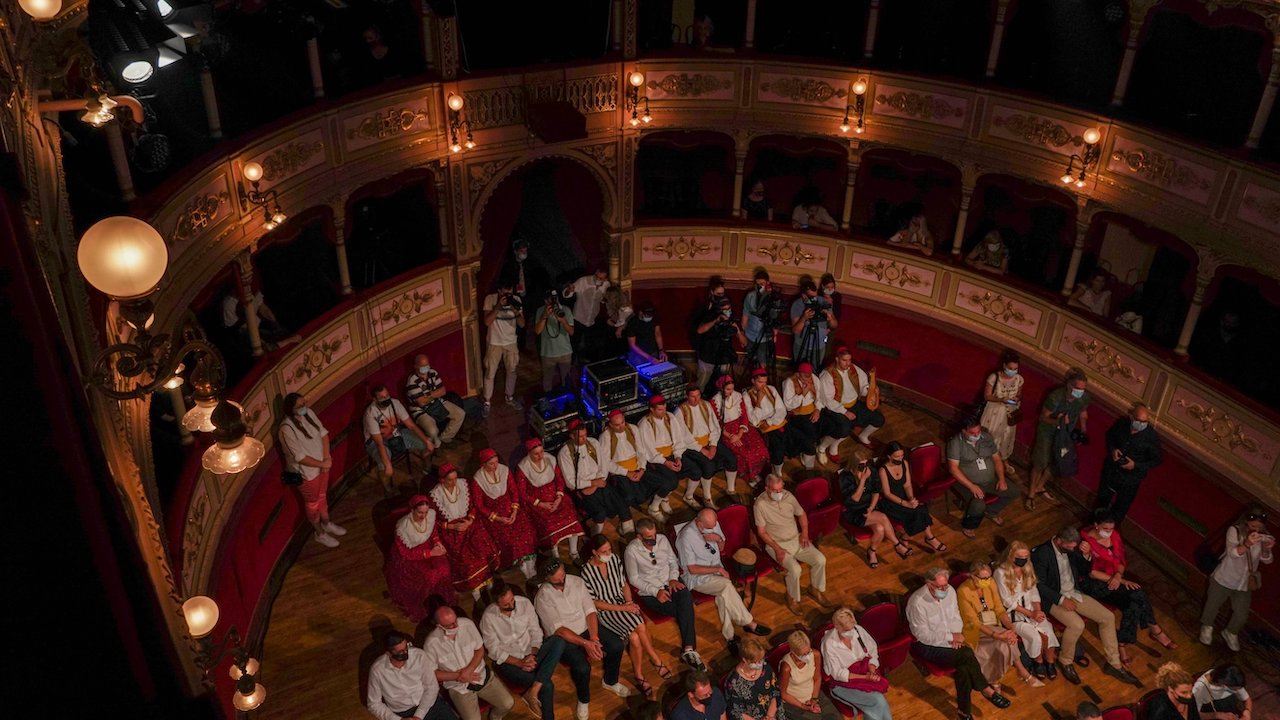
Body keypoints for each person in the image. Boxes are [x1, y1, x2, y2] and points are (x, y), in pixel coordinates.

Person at [1030, 526, 1140, 686]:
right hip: (1053, 599)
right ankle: (1065, 661)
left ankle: (1114, 664)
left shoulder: (1070, 547)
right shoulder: (1042, 553)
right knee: (1077, 625)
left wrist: (1087, 555)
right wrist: (1061, 600)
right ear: (1059, 541)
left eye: (1074, 547)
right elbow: (1039, 585)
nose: (1073, 549)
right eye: (1070, 547)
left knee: (1108, 617)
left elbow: (1084, 570)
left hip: (1074, 592)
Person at [906, 567, 1011, 718]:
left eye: (946, 585)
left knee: (963, 667)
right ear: (929, 584)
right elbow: (922, 635)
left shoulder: (950, 591)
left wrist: (956, 634)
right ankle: (985, 689)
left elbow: (956, 616)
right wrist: (950, 637)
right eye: (940, 587)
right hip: (928, 646)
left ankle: (964, 712)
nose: (944, 589)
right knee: (966, 654)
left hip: (952, 640)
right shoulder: (917, 603)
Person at [534, 557, 631, 720]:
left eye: (563, 574)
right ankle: (583, 699)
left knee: (616, 645)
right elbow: (559, 630)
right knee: (582, 668)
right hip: (564, 639)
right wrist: (586, 644)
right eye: (557, 579)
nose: (563, 580)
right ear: (546, 579)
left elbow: (590, 610)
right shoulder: (542, 597)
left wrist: (594, 638)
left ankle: (610, 681)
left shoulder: (577, 581)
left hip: (587, 628)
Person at [581, 535, 671, 701]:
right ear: (594, 552)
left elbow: (624, 585)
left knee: (639, 628)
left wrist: (629, 602)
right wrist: (624, 608)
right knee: (635, 636)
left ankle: (641, 671)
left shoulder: (614, 559)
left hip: (622, 603)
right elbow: (594, 602)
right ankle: (654, 662)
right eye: (604, 551)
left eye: (609, 550)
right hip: (606, 611)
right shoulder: (586, 571)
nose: (608, 554)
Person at [1080, 512, 1176, 663]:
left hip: (1116, 579)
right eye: (1105, 528)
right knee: (1137, 594)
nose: (1109, 532)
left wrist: (1119, 575)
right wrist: (1120, 580)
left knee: (1133, 604)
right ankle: (1154, 629)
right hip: (1096, 583)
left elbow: (1121, 560)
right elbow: (1091, 572)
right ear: (1096, 525)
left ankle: (1122, 643)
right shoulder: (1086, 542)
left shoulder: (1115, 536)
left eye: (1111, 528)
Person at [676, 508, 772, 649]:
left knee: (723, 596)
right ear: (699, 523)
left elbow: (721, 548)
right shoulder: (685, 538)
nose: (714, 527)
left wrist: (718, 539)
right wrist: (718, 570)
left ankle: (730, 637)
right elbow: (692, 569)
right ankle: (748, 622)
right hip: (698, 577)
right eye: (710, 526)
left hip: (717, 569)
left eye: (714, 524)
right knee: (726, 586)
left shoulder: (713, 524)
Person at [624, 518, 705, 671]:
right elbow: (634, 579)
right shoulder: (631, 550)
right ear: (639, 537)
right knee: (683, 610)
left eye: (655, 534)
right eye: (649, 537)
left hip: (670, 581)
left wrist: (673, 578)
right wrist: (656, 591)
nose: (654, 539)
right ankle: (689, 651)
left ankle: (688, 649)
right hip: (650, 591)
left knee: (686, 598)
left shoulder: (663, 539)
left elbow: (673, 561)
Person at [479, 580, 565, 720]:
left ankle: (533, 691)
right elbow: (494, 651)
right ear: (496, 604)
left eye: (512, 600)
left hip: (531, 653)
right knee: (547, 684)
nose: (512, 605)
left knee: (559, 640)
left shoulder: (524, 603)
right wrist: (520, 663)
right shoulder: (488, 617)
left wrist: (532, 655)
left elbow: (536, 632)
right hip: (509, 662)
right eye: (506, 605)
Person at [956, 560, 1044, 691]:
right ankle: (1022, 672)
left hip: (995, 625)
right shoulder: (963, 591)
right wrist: (997, 635)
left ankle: (996, 680)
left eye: (988, 577)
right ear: (973, 576)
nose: (987, 580)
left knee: (1005, 644)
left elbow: (999, 609)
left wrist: (1011, 628)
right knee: (1006, 640)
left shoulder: (991, 583)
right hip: (976, 629)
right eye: (983, 578)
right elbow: (974, 621)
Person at [754, 473, 832, 615]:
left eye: (781, 489)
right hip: (776, 545)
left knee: (820, 559)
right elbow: (762, 532)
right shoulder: (760, 504)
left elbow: (801, 514)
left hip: (796, 539)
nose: (779, 493)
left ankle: (815, 589)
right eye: (775, 490)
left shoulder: (788, 496)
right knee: (795, 570)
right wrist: (777, 549)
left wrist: (805, 533)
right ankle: (792, 598)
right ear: (767, 488)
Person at [1200, 506, 1274, 651]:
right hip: (1225, 577)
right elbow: (1232, 553)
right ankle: (1206, 627)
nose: (1256, 529)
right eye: (1253, 525)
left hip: (1244, 583)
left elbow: (1267, 560)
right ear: (1246, 521)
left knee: (1242, 614)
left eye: (1259, 526)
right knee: (1213, 605)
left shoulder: (1264, 536)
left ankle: (1231, 632)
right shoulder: (1235, 530)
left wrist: (1266, 548)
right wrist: (1247, 543)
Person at [279, 392, 344, 548]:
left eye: (304, 404)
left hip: (323, 466)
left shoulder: (309, 413)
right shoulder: (286, 429)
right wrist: (322, 464)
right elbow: (299, 457)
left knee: (322, 496)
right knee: (312, 503)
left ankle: (326, 523)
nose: (304, 407)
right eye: (299, 406)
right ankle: (319, 533)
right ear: (290, 409)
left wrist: (326, 458)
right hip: (307, 474)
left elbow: (323, 434)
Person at [426, 607, 515, 720]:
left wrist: (469, 670)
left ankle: (494, 717)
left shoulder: (467, 624)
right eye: (450, 625)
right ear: (439, 626)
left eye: (455, 621)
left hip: (481, 676)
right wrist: (458, 676)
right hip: (458, 687)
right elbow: (433, 673)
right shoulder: (431, 644)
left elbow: (479, 649)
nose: (455, 626)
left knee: (508, 703)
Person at [429, 464, 500, 599]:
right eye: (450, 480)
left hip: (469, 524)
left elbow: (473, 506)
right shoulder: (435, 495)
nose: (454, 482)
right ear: (442, 480)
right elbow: (434, 520)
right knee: (464, 558)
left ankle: (490, 583)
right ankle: (476, 591)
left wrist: (470, 520)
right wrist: (452, 527)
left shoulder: (464, 485)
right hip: (451, 531)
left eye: (455, 478)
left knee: (481, 545)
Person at [385, 494, 457, 622]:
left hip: (430, 548)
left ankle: (443, 600)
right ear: (412, 510)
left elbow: (434, 534)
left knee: (444, 568)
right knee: (429, 575)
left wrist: (438, 543)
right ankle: (428, 606)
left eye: (425, 512)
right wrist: (430, 553)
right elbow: (406, 554)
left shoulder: (430, 516)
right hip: (413, 556)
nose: (423, 516)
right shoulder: (403, 527)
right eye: (420, 512)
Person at [993, 541, 1059, 680]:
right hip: (1015, 615)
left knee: (1048, 631)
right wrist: (1031, 614)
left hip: (1032, 609)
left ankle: (1050, 662)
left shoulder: (1028, 567)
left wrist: (1038, 611)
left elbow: (1033, 591)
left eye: (1025, 557)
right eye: (1019, 557)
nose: (1023, 560)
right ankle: (1038, 662)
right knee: (1034, 637)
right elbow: (1007, 601)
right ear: (1010, 556)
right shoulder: (1000, 572)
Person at [1028, 368, 1091, 510]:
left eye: (1083, 389)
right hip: (1048, 432)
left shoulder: (1084, 398)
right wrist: (1059, 421)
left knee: (1057, 461)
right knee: (1040, 462)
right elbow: (1043, 417)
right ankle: (1031, 494)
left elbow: (1083, 412)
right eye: (1078, 388)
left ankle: (1040, 486)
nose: (1080, 392)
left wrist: (1083, 430)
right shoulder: (1055, 397)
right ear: (1069, 385)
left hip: (1065, 434)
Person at [471, 448, 538, 578]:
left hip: (512, 511)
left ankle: (531, 567)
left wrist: (514, 511)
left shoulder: (504, 470)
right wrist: (498, 518)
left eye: (496, 462)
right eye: (491, 464)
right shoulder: (478, 479)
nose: (495, 466)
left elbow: (514, 491)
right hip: (494, 517)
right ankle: (525, 570)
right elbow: (479, 505)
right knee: (511, 541)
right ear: (483, 464)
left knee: (526, 534)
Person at [561, 418, 634, 536]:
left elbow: (603, 466)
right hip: (583, 489)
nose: (584, 439)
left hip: (599, 482)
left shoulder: (594, 443)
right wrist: (591, 483)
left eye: (585, 435)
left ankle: (628, 532)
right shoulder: (565, 453)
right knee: (599, 513)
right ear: (572, 436)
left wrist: (596, 483)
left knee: (621, 504)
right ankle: (596, 536)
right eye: (580, 436)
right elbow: (570, 482)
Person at [515, 438, 584, 563]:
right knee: (549, 525)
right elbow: (522, 492)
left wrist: (559, 497)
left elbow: (559, 479)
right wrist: (540, 504)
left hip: (556, 497)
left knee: (570, 518)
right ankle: (556, 556)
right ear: (529, 453)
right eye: (536, 454)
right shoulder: (523, 467)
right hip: (538, 502)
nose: (540, 456)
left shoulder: (550, 459)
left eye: (541, 452)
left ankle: (574, 552)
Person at [946, 417, 1018, 538]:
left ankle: (991, 511)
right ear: (964, 431)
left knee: (1014, 491)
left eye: (978, 431)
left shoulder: (986, 438)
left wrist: (1001, 479)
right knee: (978, 504)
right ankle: (969, 526)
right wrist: (971, 486)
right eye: (972, 433)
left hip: (990, 479)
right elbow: (953, 469)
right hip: (968, 482)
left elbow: (997, 458)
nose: (977, 435)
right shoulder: (955, 443)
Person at [839, 452, 910, 569]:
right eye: (861, 465)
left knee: (880, 529)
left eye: (866, 463)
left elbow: (876, 492)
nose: (864, 467)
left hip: (869, 507)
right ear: (854, 464)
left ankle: (871, 551)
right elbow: (855, 499)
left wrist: (871, 507)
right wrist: (862, 480)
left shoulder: (871, 471)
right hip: (854, 511)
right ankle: (897, 545)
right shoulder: (845, 476)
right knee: (883, 517)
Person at [1095, 402, 1163, 523]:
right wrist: (1113, 450)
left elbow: (1157, 460)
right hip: (1112, 470)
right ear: (1131, 417)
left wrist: (1135, 465)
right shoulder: (1122, 424)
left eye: (1145, 422)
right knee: (1102, 501)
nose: (1141, 424)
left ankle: (1111, 529)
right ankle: (1095, 524)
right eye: (1138, 420)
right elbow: (1110, 436)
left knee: (1121, 507)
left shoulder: (1151, 437)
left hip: (1131, 479)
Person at [821, 606, 892, 720]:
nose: (851, 632)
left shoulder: (858, 630)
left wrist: (872, 671)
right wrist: (865, 677)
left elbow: (872, 652)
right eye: (846, 630)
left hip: (865, 672)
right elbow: (838, 673)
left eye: (852, 627)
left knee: (878, 703)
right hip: (844, 682)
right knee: (878, 701)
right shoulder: (829, 643)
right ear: (836, 626)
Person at [367, 630, 457, 720]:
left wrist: (418, 715)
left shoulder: (419, 656)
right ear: (388, 653)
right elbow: (374, 704)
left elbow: (432, 687)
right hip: (402, 713)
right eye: (401, 652)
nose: (406, 652)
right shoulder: (378, 670)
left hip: (429, 703)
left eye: (406, 647)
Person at [364, 384, 435, 497]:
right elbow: (379, 442)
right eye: (382, 397)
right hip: (378, 442)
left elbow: (411, 425)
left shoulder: (395, 403)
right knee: (384, 466)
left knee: (427, 444)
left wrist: (427, 441)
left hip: (396, 434)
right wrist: (388, 464)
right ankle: (388, 489)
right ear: (375, 399)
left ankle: (428, 468)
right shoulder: (371, 413)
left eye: (387, 395)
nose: (386, 399)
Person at [877, 441, 946, 553]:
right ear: (889, 456)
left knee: (921, 508)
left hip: (904, 496)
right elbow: (887, 494)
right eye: (897, 456)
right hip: (891, 502)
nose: (900, 458)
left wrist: (911, 498)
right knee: (917, 513)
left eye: (902, 455)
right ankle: (919, 537)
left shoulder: (904, 463)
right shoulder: (883, 470)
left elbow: (907, 485)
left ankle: (924, 537)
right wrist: (906, 503)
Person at [636, 395, 697, 521]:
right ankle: (654, 507)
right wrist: (665, 462)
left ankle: (688, 497)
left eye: (664, 408)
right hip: (657, 459)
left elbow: (678, 440)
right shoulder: (645, 424)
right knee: (671, 482)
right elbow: (649, 451)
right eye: (660, 410)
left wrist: (678, 456)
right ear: (652, 409)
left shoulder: (670, 417)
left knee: (695, 470)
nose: (664, 412)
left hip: (673, 453)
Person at [708, 375, 769, 497]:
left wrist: (740, 433)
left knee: (760, 449)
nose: (731, 392)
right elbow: (716, 424)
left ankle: (757, 474)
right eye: (728, 389)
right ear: (721, 388)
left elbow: (744, 416)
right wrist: (731, 436)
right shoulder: (714, 402)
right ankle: (750, 477)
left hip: (742, 428)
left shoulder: (738, 396)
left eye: (732, 388)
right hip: (726, 432)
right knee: (746, 453)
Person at [600, 409, 669, 515]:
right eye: (617, 425)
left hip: (637, 466)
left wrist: (642, 469)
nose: (621, 427)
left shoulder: (633, 429)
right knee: (632, 496)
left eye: (622, 422)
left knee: (663, 483)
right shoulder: (605, 436)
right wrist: (627, 473)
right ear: (611, 425)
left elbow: (641, 451)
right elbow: (606, 462)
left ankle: (654, 506)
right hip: (620, 471)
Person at [818, 346, 885, 455]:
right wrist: (845, 412)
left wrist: (871, 391)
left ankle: (863, 436)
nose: (848, 363)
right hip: (836, 408)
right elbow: (827, 400)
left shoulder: (854, 369)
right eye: (844, 360)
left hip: (854, 404)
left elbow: (863, 387)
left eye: (849, 360)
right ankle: (822, 447)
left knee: (878, 419)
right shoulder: (827, 375)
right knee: (844, 429)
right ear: (837, 359)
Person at [678, 385, 734, 507]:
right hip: (692, 446)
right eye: (693, 396)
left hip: (709, 441)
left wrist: (713, 445)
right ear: (687, 396)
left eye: (698, 395)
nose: (696, 399)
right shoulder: (680, 411)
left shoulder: (706, 405)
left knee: (731, 458)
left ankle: (731, 490)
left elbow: (715, 426)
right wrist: (702, 450)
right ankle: (706, 497)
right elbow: (684, 436)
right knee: (708, 466)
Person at [481, 279, 526, 417]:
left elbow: (522, 324)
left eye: (510, 293)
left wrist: (515, 310)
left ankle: (510, 397)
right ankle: (487, 402)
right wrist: (498, 307)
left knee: (512, 371)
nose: (508, 296)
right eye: (505, 293)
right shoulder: (490, 299)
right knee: (490, 372)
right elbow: (487, 322)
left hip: (510, 342)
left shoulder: (516, 300)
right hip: (494, 342)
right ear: (499, 291)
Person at [779, 631, 842, 720]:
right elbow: (784, 694)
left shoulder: (815, 654)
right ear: (793, 652)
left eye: (808, 652)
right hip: (795, 702)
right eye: (803, 654)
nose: (807, 656)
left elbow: (817, 678)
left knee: (836, 717)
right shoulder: (786, 667)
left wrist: (814, 699)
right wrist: (804, 706)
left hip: (814, 693)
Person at [405, 355, 466, 447]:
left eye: (427, 365)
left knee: (460, 414)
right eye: (422, 366)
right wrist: (435, 394)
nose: (426, 368)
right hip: (420, 410)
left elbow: (443, 391)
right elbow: (421, 402)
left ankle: (445, 438)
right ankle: (435, 444)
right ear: (416, 366)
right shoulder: (412, 381)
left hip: (437, 403)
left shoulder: (433, 372)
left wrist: (428, 396)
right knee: (433, 431)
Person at [978, 350, 1023, 474]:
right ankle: (986, 461)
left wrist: (1016, 398)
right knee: (991, 436)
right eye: (1010, 368)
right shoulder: (994, 377)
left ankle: (1003, 460)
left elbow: (1019, 393)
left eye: (1015, 369)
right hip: (994, 413)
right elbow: (987, 396)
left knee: (1005, 438)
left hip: (1009, 414)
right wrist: (1001, 399)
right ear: (1004, 365)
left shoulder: (1019, 379)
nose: (1013, 371)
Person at [694, 296, 745, 393]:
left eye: (729, 308)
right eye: (724, 309)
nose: (727, 311)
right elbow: (700, 330)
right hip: (707, 357)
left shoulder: (732, 319)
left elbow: (744, 342)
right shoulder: (710, 316)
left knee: (723, 383)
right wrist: (715, 321)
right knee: (702, 383)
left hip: (724, 357)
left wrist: (737, 330)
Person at [725, 638, 784, 720]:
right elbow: (735, 712)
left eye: (761, 659)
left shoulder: (766, 667)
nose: (760, 664)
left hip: (773, 712)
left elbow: (775, 691)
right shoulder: (733, 682)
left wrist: (770, 715)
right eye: (756, 661)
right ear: (745, 660)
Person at [746, 367, 789, 479]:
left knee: (785, 441)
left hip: (776, 422)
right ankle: (770, 471)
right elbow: (754, 420)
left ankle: (778, 469)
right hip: (761, 428)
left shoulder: (771, 389)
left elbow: (781, 410)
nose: (763, 385)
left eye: (765, 382)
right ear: (753, 381)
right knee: (775, 445)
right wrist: (759, 401)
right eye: (760, 382)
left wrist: (770, 421)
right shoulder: (747, 395)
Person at [789, 280, 838, 370]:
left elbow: (834, 325)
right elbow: (796, 330)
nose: (815, 299)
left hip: (819, 346)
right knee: (799, 369)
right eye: (811, 297)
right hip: (802, 345)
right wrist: (804, 318)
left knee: (815, 370)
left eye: (816, 296)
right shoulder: (797, 305)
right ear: (804, 296)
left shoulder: (822, 302)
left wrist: (830, 318)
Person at [782, 363, 822, 469]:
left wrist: (817, 409)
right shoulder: (789, 382)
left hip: (813, 411)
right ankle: (808, 452)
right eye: (805, 376)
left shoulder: (814, 379)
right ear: (798, 374)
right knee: (809, 434)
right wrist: (803, 393)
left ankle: (815, 449)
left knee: (822, 426)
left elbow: (820, 397)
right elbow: (788, 406)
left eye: (809, 376)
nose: (808, 379)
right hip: (797, 415)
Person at [534, 290, 575, 392]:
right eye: (551, 299)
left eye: (555, 298)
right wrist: (544, 316)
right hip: (548, 353)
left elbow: (571, 332)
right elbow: (537, 331)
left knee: (566, 380)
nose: (554, 301)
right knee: (547, 381)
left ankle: (567, 397)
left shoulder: (565, 310)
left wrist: (563, 320)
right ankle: (548, 398)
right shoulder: (540, 311)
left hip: (565, 352)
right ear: (545, 300)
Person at [742, 269, 782, 369]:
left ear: (767, 283)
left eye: (762, 284)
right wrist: (743, 333)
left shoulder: (773, 297)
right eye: (758, 284)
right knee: (751, 359)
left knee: (762, 362)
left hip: (765, 336)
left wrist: (775, 334)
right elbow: (745, 315)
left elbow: (776, 318)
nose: (760, 286)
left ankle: (761, 375)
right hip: (750, 334)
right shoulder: (750, 296)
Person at [569, 269, 611, 363]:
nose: (598, 279)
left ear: (605, 279)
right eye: (597, 277)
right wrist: (569, 290)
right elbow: (567, 294)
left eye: (601, 278)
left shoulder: (606, 285)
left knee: (588, 342)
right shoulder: (583, 281)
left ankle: (584, 360)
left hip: (592, 318)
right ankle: (572, 361)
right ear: (595, 273)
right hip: (579, 317)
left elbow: (602, 300)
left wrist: (604, 298)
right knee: (575, 341)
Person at [624, 300, 666, 365]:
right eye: (647, 315)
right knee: (640, 366)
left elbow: (657, 334)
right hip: (638, 353)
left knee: (659, 365)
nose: (650, 317)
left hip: (652, 350)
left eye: (651, 315)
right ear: (641, 312)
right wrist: (649, 357)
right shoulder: (632, 323)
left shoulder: (655, 318)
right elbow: (632, 345)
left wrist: (661, 351)